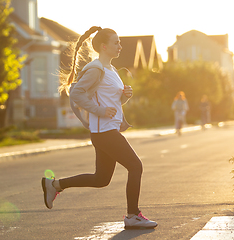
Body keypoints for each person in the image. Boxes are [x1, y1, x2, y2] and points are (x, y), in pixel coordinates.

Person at [41, 26, 157, 229]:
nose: (120, 46)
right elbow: (77, 94)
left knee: (101, 179)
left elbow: (111, 102)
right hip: (104, 132)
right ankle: (132, 215)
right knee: (135, 166)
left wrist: (123, 96)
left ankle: (55, 184)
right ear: (104, 46)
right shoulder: (96, 69)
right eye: (116, 42)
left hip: (106, 131)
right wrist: (100, 110)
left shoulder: (110, 70)